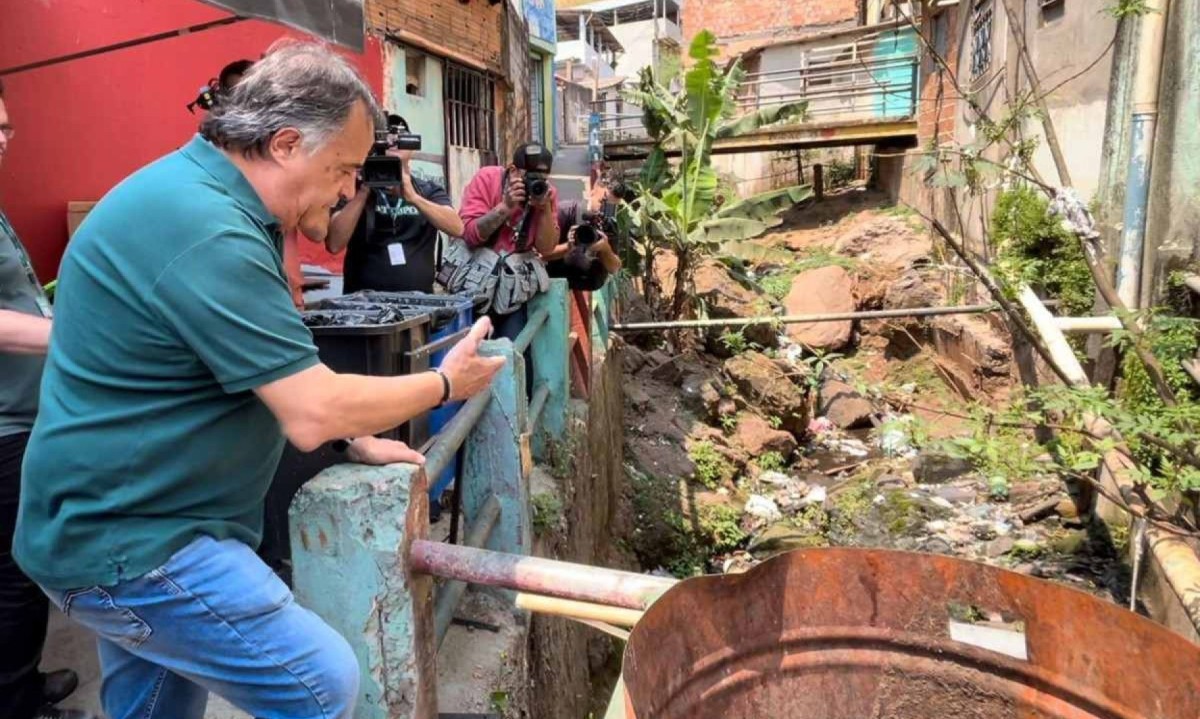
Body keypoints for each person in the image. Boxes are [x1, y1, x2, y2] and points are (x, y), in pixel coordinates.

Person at [13, 41, 504, 719]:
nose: (344, 190)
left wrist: (352, 438)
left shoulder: (207, 203)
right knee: (320, 681)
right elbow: (308, 408)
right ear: (283, 144)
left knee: (154, 707)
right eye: (342, 169)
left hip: (124, 521)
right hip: (132, 540)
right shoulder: (208, 228)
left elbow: (255, 372)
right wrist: (445, 385)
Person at [0, 78, 94, 719]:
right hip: (3, 425)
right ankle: (15, 703)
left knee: (16, 573)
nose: (5, 140)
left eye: (6, 127)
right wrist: (76, 339)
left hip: (22, 412)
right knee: (12, 577)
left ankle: (21, 683)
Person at [327, 114, 463, 293]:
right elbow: (334, 243)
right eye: (386, 137)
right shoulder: (353, 189)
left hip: (418, 303)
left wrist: (414, 198)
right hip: (363, 304)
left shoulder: (427, 190)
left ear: (412, 148)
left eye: (401, 136)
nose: (394, 141)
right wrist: (364, 190)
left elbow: (457, 228)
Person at [458, 142, 559, 342]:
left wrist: (544, 209)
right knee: (472, 352)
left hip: (513, 292)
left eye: (541, 179)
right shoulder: (487, 179)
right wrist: (505, 206)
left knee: (515, 354)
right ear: (512, 170)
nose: (534, 184)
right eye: (529, 178)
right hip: (475, 287)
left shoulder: (547, 193)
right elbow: (470, 233)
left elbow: (546, 248)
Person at [544, 200, 623, 292]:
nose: (601, 210)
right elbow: (541, 254)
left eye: (610, 207)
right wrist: (568, 246)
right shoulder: (565, 212)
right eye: (602, 201)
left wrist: (605, 248)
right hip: (549, 266)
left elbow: (614, 268)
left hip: (576, 275)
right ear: (593, 189)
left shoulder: (608, 225)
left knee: (598, 276)